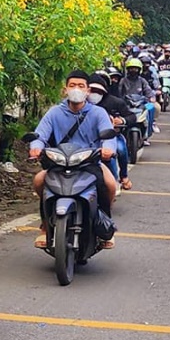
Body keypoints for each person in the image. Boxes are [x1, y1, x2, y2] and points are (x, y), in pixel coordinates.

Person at [29, 71, 118, 249]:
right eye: (72, 86)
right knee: (40, 181)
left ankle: (105, 228)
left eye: (81, 86)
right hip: (60, 162)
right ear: (65, 90)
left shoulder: (98, 113)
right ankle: (46, 226)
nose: (76, 89)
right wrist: (36, 147)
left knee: (109, 184)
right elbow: (40, 134)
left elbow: (109, 136)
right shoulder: (55, 112)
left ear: (87, 91)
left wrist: (108, 149)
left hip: (90, 162)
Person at [122, 56, 158, 139]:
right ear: (128, 69)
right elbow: (119, 92)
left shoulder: (142, 81)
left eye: (135, 69)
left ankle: (150, 127)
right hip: (127, 104)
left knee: (152, 107)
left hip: (141, 104)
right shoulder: (123, 81)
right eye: (131, 69)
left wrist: (151, 97)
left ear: (139, 70)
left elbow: (148, 91)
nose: (133, 71)